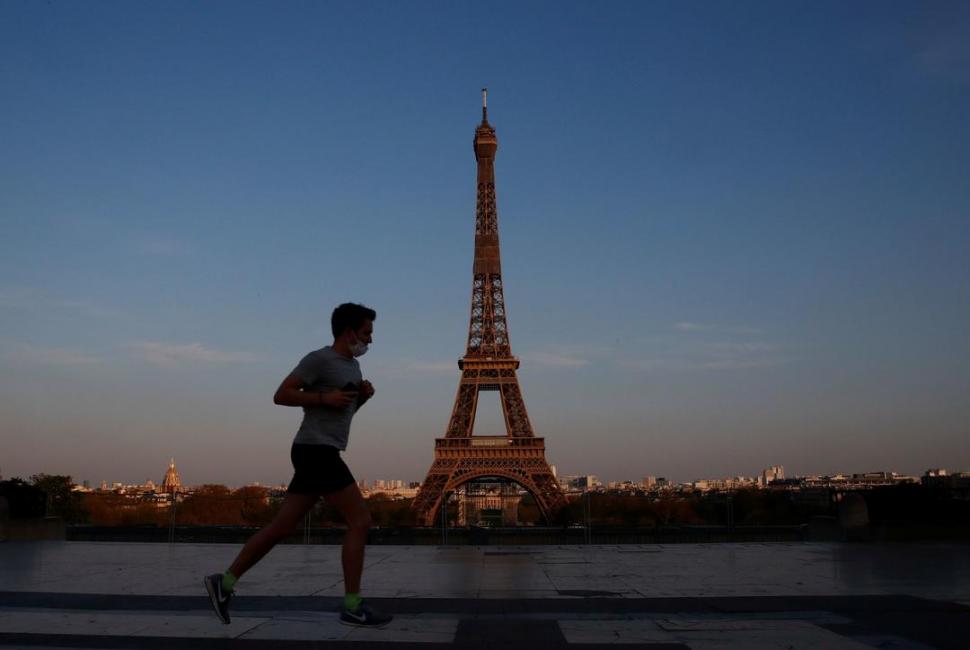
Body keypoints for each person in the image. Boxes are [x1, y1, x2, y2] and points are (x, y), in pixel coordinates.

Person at [204, 302, 392, 628]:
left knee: (282, 527)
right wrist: (323, 398)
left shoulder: (352, 368)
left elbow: (340, 415)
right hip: (316, 451)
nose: (370, 341)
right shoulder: (319, 359)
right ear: (349, 332)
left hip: (317, 449)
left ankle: (226, 582)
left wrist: (361, 398)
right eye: (366, 333)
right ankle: (352, 604)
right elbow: (281, 394)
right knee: (361, 521)